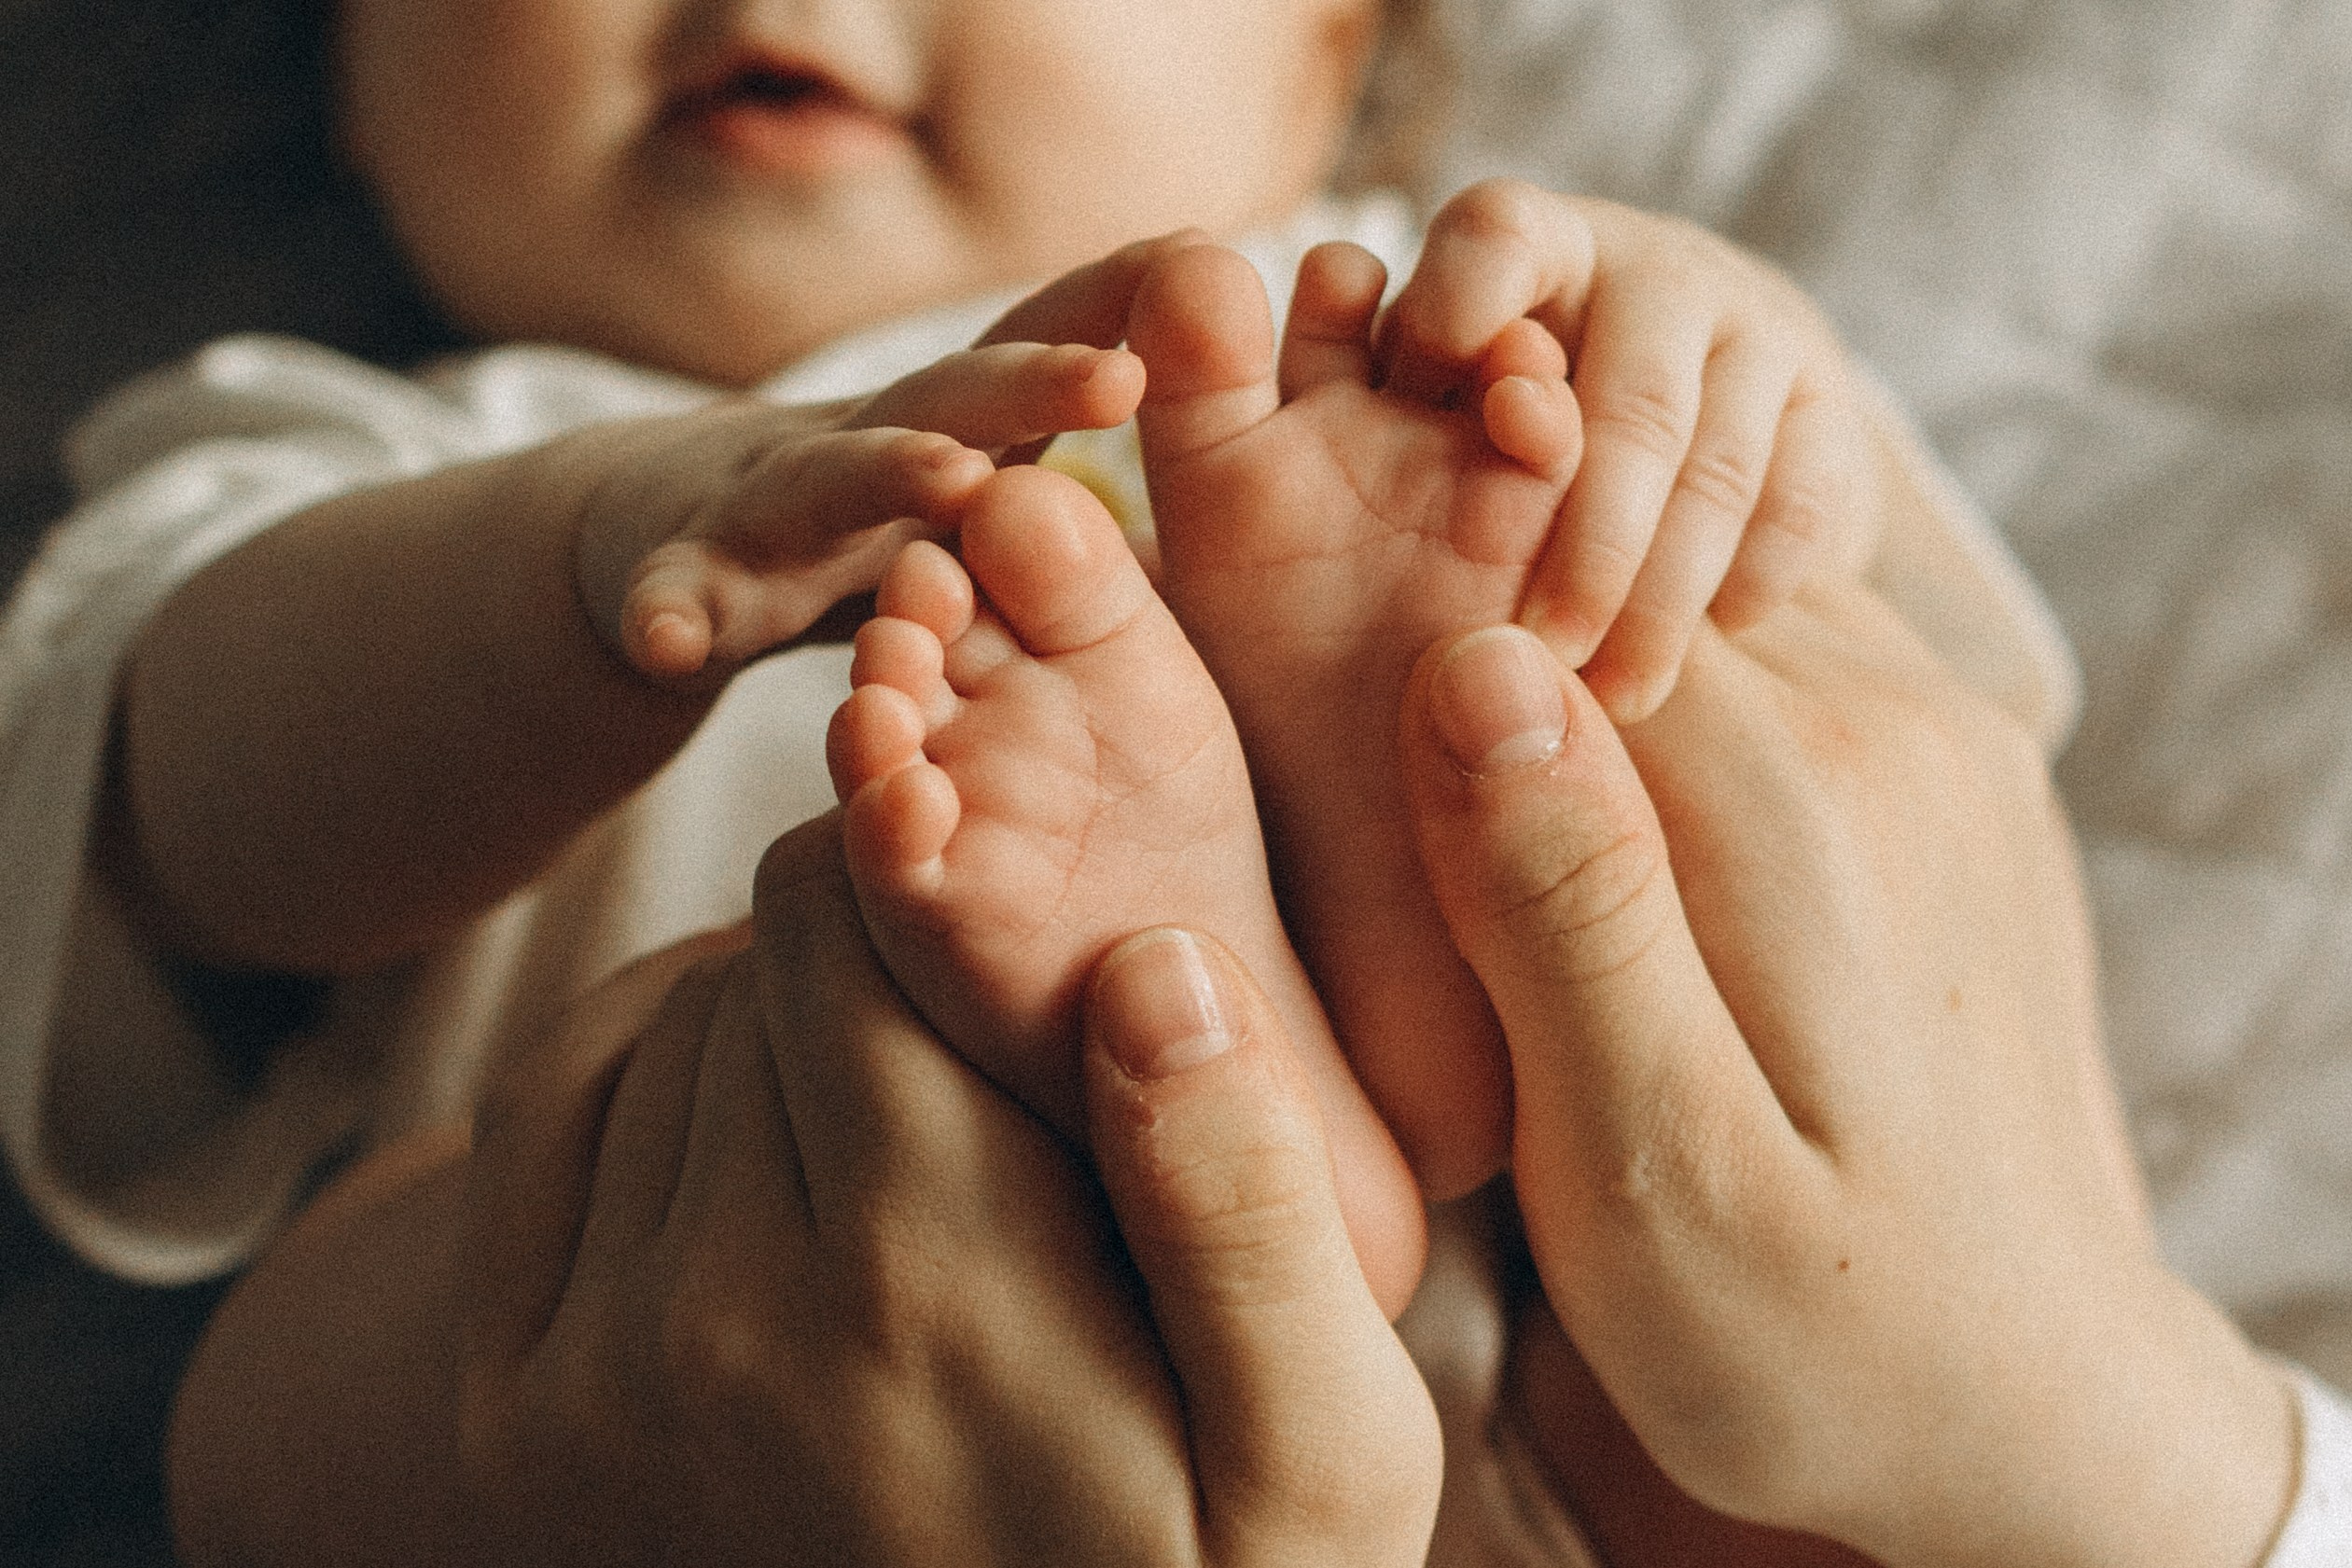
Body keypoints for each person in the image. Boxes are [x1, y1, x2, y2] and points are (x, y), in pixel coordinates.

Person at [0, 0, 2067, 1556]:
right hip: (670, 1356)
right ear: (357, 89)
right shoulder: (364, 457)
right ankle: (1201, 1056)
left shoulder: (1425, 360)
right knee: (276, 1401)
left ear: (1323, 58)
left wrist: (1704, 376)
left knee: (1789, 1216)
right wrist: (588, 547)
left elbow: (1927, 746)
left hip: (1481, 1420)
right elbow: (175, 818)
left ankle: (1300, 1027)